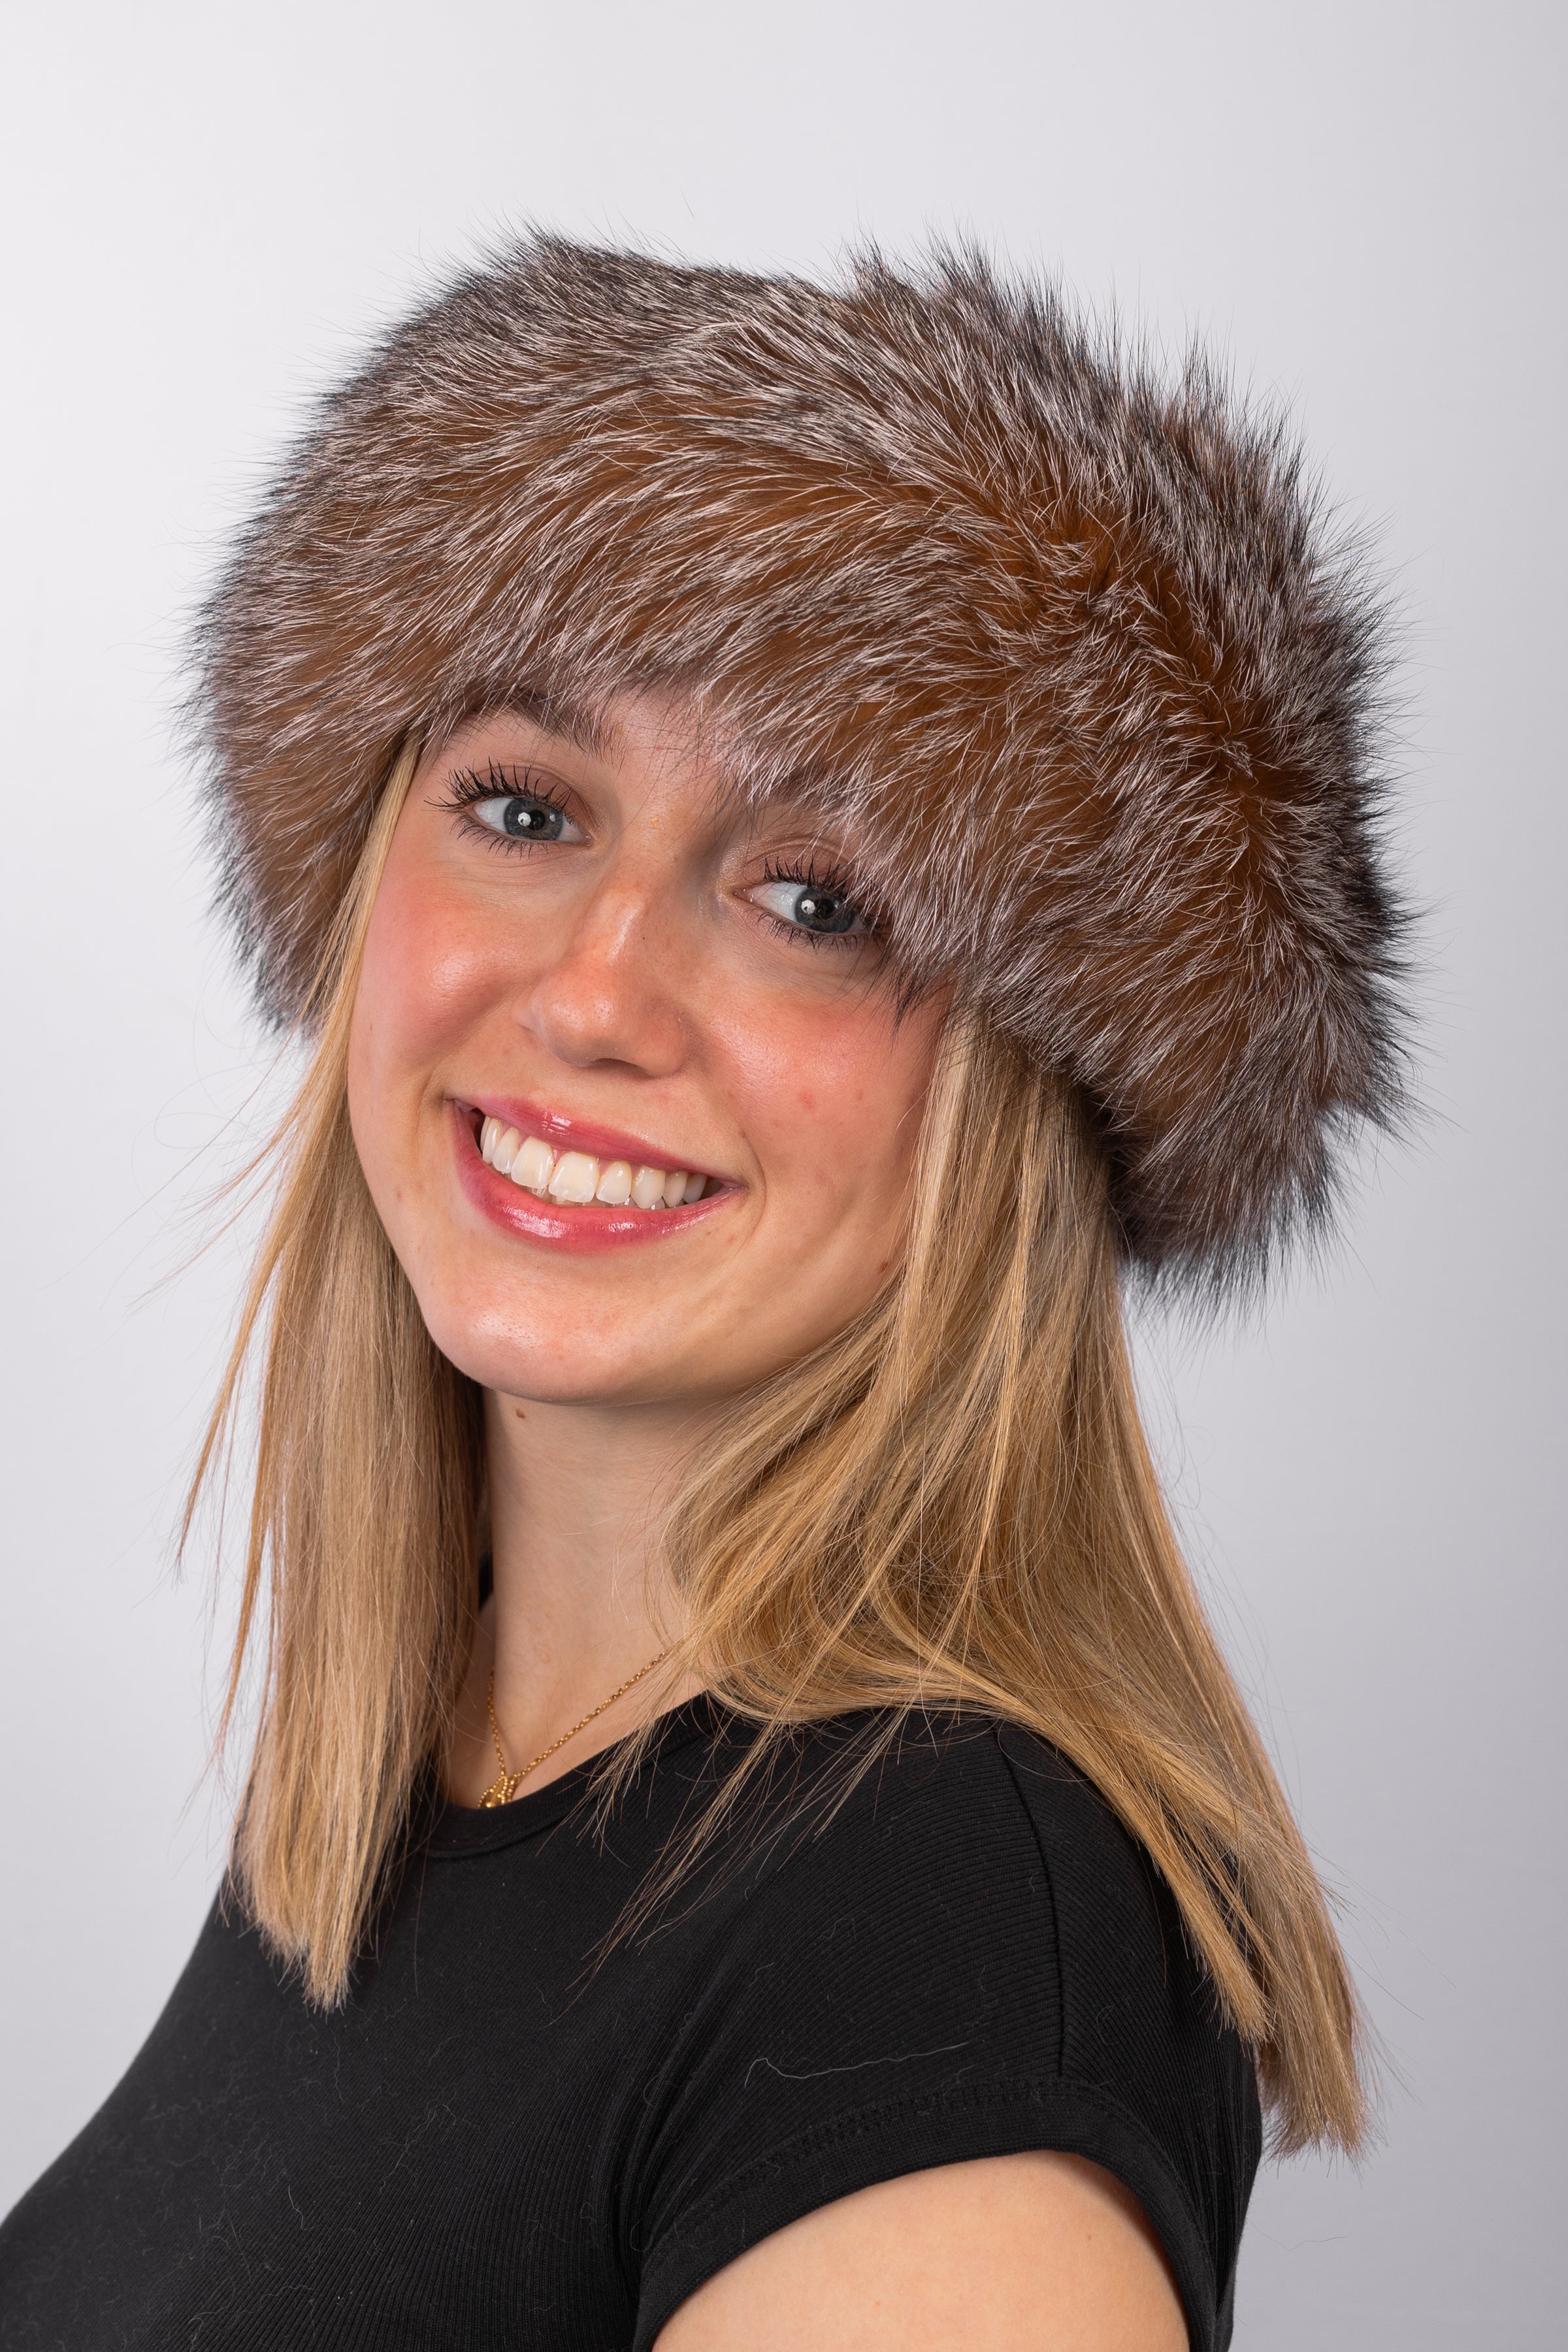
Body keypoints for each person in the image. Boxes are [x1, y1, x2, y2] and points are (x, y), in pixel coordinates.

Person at [0, 237, 1404, 2351]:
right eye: (524, 807)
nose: (594, 993)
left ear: (1019, 1092)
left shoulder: (921, 1954)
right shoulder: (428, 1773)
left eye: (816, 898)